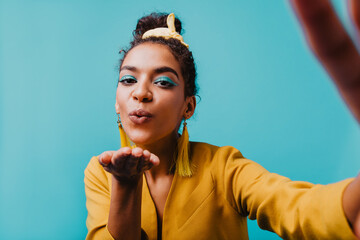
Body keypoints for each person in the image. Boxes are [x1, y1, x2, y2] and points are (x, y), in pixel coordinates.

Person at [84, 1, 360, 239]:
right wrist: (124, 184)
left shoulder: (224, 168)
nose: (141, 93)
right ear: (117, 103)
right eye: (128, 80)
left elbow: (295, 206)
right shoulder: (99, 174)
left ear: (188, 106)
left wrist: (353, 207)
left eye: (163, 82)